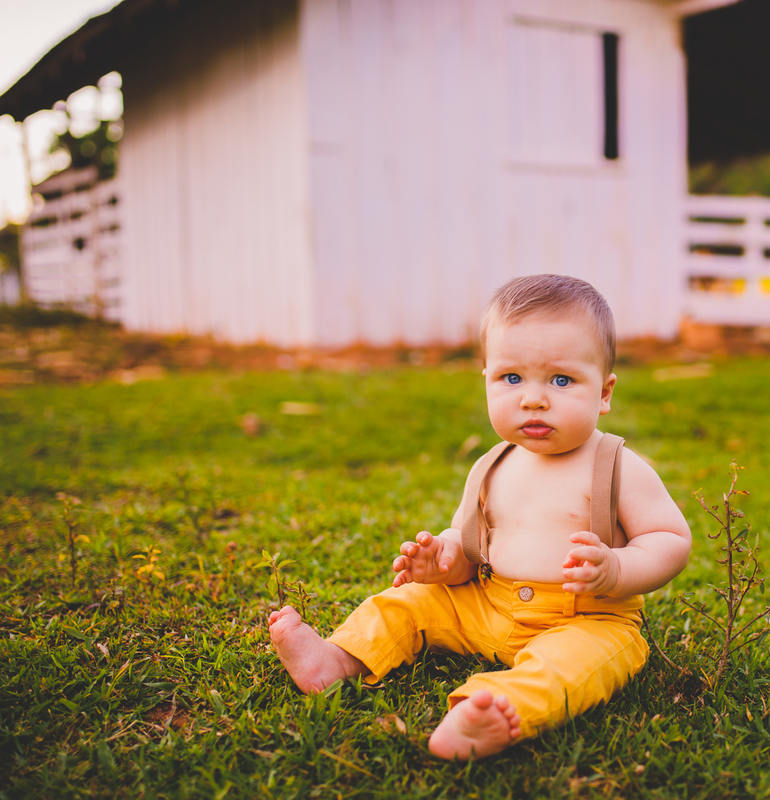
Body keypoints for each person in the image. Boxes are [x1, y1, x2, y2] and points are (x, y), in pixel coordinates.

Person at [268, 274, 691, 759]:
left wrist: (616, 569)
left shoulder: (617, 466)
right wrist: (445, 562)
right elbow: (472, 547)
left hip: (588, 618)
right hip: (488, 603)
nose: (533, 398)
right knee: (410, 602)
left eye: (561, 380)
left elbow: (670, 539)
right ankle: (338, 657)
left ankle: (490, 712)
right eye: (512, 378)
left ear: (604, 392)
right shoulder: (492, 464)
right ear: (487, 379)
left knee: (571, 666)